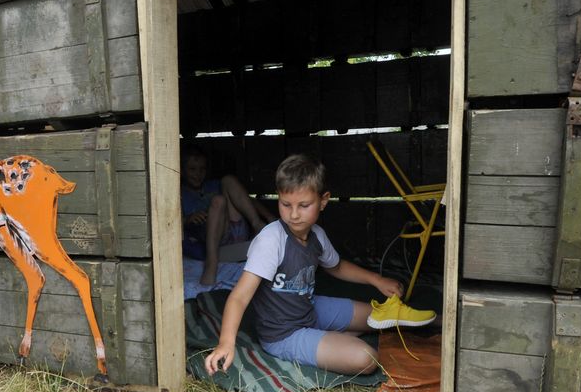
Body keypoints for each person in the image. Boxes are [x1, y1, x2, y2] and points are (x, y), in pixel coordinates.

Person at [204, 154, 435, 377]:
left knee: (381, 316)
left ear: (323, 201)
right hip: (284, 334)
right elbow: (239, 297)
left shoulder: (317, 235)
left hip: (310, 309)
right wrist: (226, 343)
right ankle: (331, 338)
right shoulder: (270, 240)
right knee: (365, 358)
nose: (294, 214)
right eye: (286, 204)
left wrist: (377, 280)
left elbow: (336, 267)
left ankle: (436, 321)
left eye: (304, 205)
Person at [181, 146, 274, 286]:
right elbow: (169, 222)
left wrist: (270, 218)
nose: (198, 174)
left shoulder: (213, 185)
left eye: (202, 169)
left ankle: (258, 224)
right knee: (218, 201)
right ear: (182, 171)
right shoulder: (181, 194)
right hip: (215, 238)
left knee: (228, 180)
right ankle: (211, 264)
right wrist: (188, 219)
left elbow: (247, 200)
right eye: (192, 169)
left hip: (236, 228)